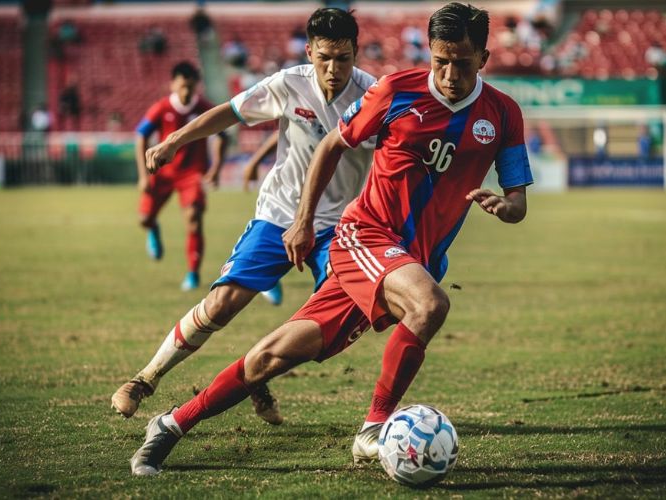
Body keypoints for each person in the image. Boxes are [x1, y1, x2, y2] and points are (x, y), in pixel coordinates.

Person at [128, 2, 533, 476]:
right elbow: (331, 144)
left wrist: (507, 208)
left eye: (462, 63)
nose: (449, 74)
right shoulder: (396, 91)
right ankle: (373, 430)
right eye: (440, 61)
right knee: (429, 305)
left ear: (484, 57)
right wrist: (303, 220)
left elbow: (518, 200)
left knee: (270, 358)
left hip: (408, 262)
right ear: (429, 51)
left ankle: (170, 424)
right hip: (365, 236)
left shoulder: (503, 114)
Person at [111, 8, 376, 429]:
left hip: (338, 227)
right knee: (222, 303)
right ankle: (145, 379)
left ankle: (257, 369)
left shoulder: (375, 97)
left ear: (356, 54)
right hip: (278, 214)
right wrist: (175, 140)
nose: (333, 69)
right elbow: (230, 112)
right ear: (309, 52)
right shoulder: (289, 83)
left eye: (343, 58)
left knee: (328, 317)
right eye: (324, 57)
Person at [133, 61, 227, 292]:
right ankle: (153, 227)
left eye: (190, 87)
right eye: (182, 86)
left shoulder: (204, 108)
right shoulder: (161, 108)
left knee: (194, 220)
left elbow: (223, 136)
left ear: (196, 86)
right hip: (162, 172)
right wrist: (143, 175)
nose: (186, 91)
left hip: (192, 174)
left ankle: (193, 273)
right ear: (173, 84)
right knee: (143, 219)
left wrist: (216, 168)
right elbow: (140, 135)